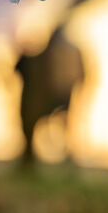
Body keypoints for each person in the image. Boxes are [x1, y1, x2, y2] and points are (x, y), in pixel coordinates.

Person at [15, 26, 83, 166]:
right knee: (62, 122)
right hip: (62, 91)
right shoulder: (71, 49)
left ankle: (63, 152)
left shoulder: (54, 52)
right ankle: (63, 153)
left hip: (57, 92)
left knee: (57, 123)